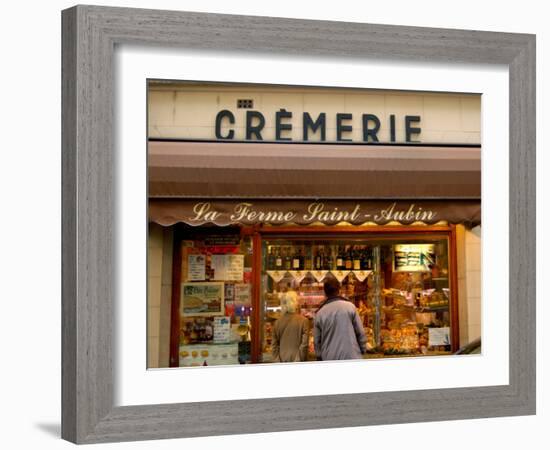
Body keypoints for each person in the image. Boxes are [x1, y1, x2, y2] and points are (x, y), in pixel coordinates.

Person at [314, 276, 367, 361]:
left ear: (325, 293)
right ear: (339, 290)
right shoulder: (350, 307)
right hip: (352, 356)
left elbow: (317, 342)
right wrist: (362, 349)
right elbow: (360, 333)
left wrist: (319, 356)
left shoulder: (320, 313)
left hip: (329, 358)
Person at [272, 290, 310, 362]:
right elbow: (304, 345)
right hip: (298, 362)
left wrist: (278, 362)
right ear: (296, 303)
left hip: (282, 360)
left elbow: (274, 346)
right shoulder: (304, 321)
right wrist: (298, 360)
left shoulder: (277, 323)